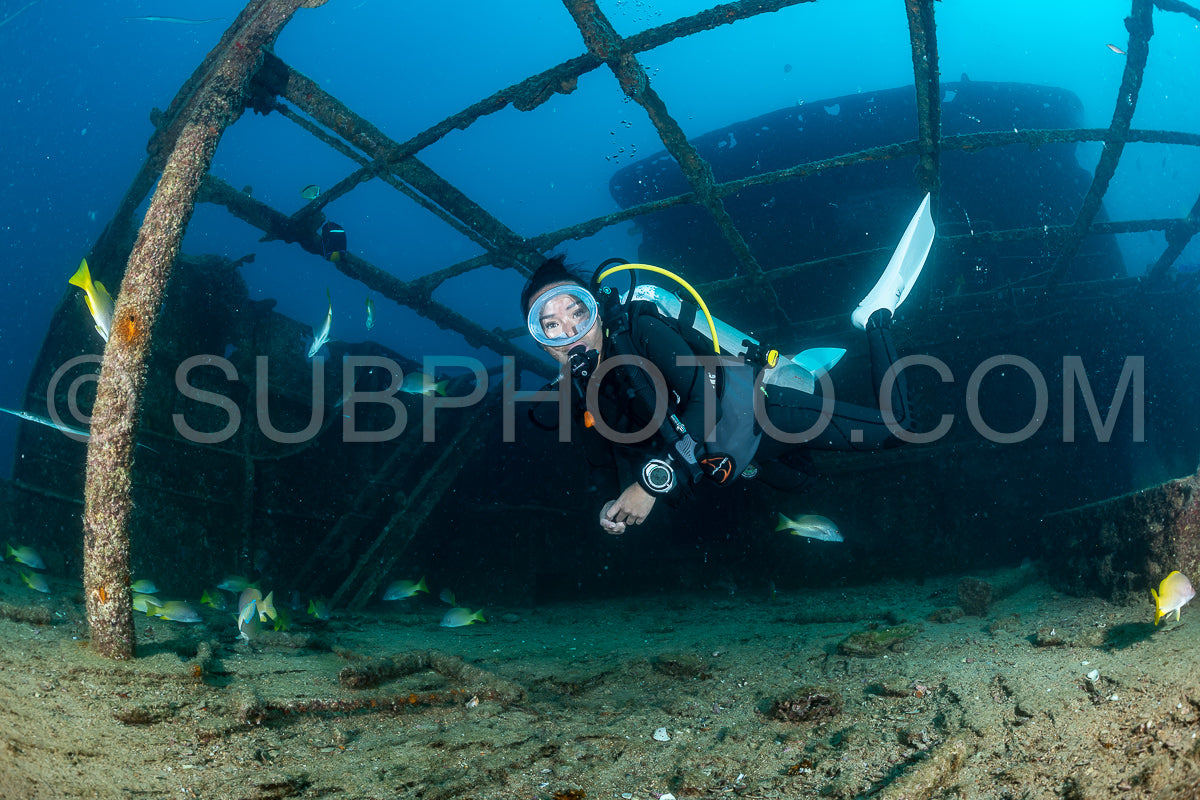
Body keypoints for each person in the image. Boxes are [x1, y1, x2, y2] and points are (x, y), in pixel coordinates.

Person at [522, 197, 932, 535]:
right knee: (803, 482)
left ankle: (875, 317)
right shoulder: (577, 389)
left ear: (595, 309)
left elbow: (706, 398)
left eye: (577, 312)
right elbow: (602, 457)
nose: (571, 331)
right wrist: (613, 499)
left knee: (901, 429)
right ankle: (803, 386)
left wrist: (651, 484)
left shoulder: (640, 330)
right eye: (551, 324)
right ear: (540, 339)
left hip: (758, 415)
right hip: (732, 457)